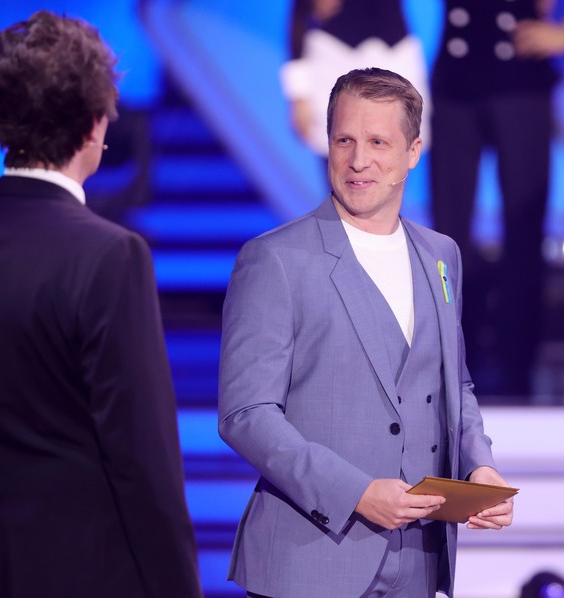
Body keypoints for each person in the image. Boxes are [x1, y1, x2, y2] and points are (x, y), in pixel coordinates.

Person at [0, 11, 201, 598]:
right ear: (94, 126)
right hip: (93, 575)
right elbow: (143, 460)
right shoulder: (112, 257)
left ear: (0, 118)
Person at [219, 68, 513, 598]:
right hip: (309, 561)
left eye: (379, 142)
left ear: (413, 151)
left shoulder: (441, 255)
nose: (358, 160)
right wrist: (355, 492)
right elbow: (247, 415)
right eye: (344, 140)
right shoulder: (275, 259)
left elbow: (455, 385)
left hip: (421, 562)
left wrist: (479, 465)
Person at [429, 0, 564, 395]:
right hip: (455, 83)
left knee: (524, 232)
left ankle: (517, 367)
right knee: (447, 236)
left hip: (521, 79)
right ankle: (454, 363)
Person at [280, 0, 431, 156]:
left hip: (395, 55)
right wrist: (298, 94)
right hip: (333, 57)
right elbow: (300, 17)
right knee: (341, 158)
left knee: (396, 155)